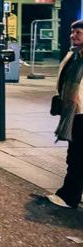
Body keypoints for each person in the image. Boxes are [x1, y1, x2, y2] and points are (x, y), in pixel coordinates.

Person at [46, 20, 83, 209]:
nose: (73, 35)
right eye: (72, 32)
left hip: (80, 113)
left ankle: (69, 196)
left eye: (78, 32)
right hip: (73, 112)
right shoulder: (74, 55)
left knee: (76, 156)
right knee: (75, 154)